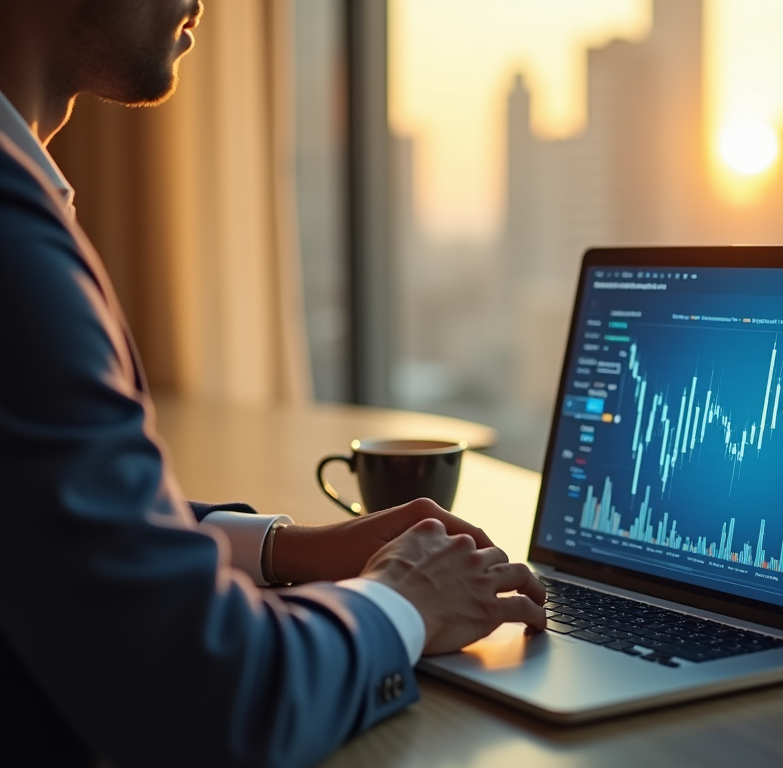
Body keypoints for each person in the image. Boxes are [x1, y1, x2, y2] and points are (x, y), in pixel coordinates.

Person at [0, 2, 546, 766]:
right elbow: (208, 699)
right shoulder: (14, 241)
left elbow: (40, 518)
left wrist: (283, 551)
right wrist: (404, 602)